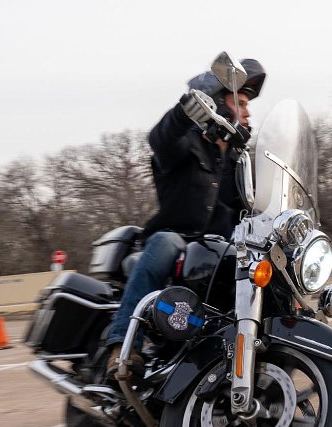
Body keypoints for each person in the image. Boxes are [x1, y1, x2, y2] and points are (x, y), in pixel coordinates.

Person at [105, 57, 267, 379]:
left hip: (216, 249)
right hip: (176, 238)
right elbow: (160, 139)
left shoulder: (240, 162)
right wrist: (184, 112)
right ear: (219, 104)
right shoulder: (184, 144)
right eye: (242, 103)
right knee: (164, 243)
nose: (248, 112)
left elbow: (252, 209)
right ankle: (122, 345)